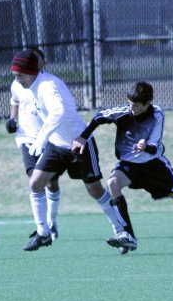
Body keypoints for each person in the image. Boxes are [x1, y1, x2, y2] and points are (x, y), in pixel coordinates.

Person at [71, 80, 173, 253]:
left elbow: (154, 146)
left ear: (148, 103)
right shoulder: (122, 112)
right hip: (129, 166)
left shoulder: (157, 114)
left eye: (136, 106)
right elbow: (98, 117)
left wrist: (144, 145)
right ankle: (128, 236)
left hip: (154, 166)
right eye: (129, 104)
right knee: (112, 183)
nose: (131, 108)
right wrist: (83, 137)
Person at [10, 48, 124, 251]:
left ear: (30, 72)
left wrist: (42, 136)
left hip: (78, 143)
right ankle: (43, 233)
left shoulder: (48, 86)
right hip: (56, 145)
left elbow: (59, 111)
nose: (17, 80)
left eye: (19, 75)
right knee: (36, 183)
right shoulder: (30, 85)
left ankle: (120, 230)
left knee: (94, 189)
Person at [6, 47, 61, 240]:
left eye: (36, 59)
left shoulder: (48, 84)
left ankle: (52, 222)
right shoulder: (18, 82)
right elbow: (15, 101)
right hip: (26, 138)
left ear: (42, 62)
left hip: (48, 139)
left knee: (51, 183)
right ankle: (42, 228)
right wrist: (12, 119)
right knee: (35, 181)